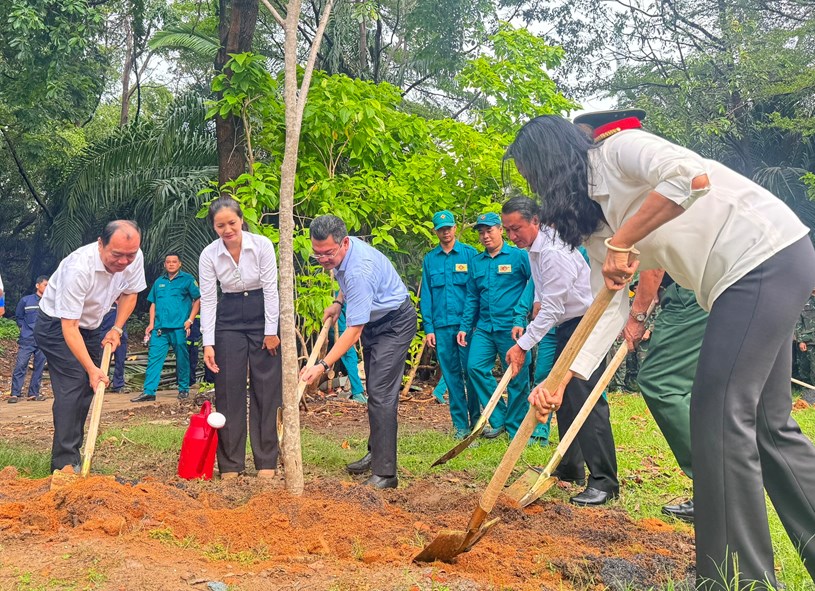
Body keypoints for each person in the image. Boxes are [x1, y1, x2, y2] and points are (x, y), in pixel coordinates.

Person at [507, 114, 815, 590]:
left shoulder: (619, 150)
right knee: (770, 425)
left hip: (760, 255)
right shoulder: (592, 220)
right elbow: (604, 308)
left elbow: (690, 176)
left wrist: (625, 239)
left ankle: (734, 580)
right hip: (751, 274)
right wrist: (560, 379)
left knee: (718, 415)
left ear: (552, 160)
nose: (539, 190)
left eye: (534, 175)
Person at [574, 108, 706, 522]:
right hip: (691, 289)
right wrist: (569, 374)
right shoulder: (610, 194)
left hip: (694, 288)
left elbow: (651, 262)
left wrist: (638, 313)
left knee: (660, 381)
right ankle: (713, 485)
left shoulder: (631, 167)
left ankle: (710, 484)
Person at [502, 196, 619, 504]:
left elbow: (553, 309)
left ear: (535, 222)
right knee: (564, 399)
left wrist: (522, 346)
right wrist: (538, 302)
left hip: (585, 325)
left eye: (517, 228)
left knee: (585, 400)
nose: (512, 236)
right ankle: (570, 468)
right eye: (508, 230)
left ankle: (605, 482)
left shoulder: (552, 252)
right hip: (567, 326)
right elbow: (545, 293)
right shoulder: (534, 249)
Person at [300, 215, 416, 489]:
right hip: (377, 321)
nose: (323, 259)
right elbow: (345, 283)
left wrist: (323, 365)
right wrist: (339, 301)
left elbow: (353, 333)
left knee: (381, 394)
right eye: (317, 254)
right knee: (376, 392)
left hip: (394, 324)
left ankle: (386, 474)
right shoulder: (341, 257)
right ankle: (377, 452)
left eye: (328, 253)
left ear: (344, 243)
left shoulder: (359, 270)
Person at [35, 220, 146, 472]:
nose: (123, 261)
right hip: (57, 326)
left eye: (130, 255)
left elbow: (130, 293)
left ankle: (74, 454)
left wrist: (117, 328)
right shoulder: (79, 268)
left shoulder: (133, 256)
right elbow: (69, 327)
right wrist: (91, 368)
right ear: (100, 244)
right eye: (116, 255)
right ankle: (64, 464)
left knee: (87, 388)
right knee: (74, 382)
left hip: (92, 326)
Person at [199, 198, 282, 480]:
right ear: (213, 226)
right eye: (220, 225)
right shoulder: (209, 255)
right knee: (228, 388)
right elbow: (209, 299)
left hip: (262, 313)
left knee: (266, 389)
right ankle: (231, 464)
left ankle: (267, 462)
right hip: (229, 316)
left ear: (241, 219)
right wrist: (208, 343)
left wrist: (271, 331)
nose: (227, 230)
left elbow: (272, 288)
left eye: (232, 223)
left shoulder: (261, 245)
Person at [457, 212, 532, 442]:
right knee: (474, 368)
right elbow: (472, 297)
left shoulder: (519, 256)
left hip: (512, 328)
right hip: (485, 327)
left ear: (501, 230)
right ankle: (499, 418)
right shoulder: (476, 262)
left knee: (518, 377)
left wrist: (524, 316)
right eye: (481, 232)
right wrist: (464, 326)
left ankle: (515, 426)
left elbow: (534, 284)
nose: (485, 236)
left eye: (489, 230)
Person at [420, 210, 479, 439]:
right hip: (442, 328)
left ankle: (475, 423)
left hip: (467, 328)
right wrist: (429, 329)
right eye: (441, 229)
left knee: (471, 373)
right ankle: (460, 426)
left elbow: (475, 294)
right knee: (452, 376)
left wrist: (472, 325)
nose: (445, 232)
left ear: (455, 228)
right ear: (436, 232)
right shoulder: (430, 260)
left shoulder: (470, 255)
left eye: (449, 228)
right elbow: (427, 296)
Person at [133, 252, 201, 402]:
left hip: (179, 328)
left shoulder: (187, 280)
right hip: (160, 329)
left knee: (182, 359)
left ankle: (183, 389)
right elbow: (153, 303)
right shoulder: (159, 282)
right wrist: (151, 323)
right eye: (168, 262)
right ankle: (149, 391)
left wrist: (190, 320)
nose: (171, 264)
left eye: (174, 262)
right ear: (164, 264)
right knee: (154, 359)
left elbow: (197, 299)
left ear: (179, 264)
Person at [9, 275, 49, 403]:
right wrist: (24, 329)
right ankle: (15, 393)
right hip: (27, 340)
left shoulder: (50, 303)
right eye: (45, 285)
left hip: (43, 340)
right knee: (21, 365)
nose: (47, 288)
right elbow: (19, 317)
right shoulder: (26, 301)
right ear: (38, 285)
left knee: (39, 367)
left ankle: (33, 393)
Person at [99, 301, 129, 393]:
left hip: (121, 338)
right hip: (105, 338)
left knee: (120, 362)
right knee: (103, 361)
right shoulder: (106, 303)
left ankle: (118, 386)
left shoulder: (125, 304)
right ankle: (102, 384)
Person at [794, 290, 815, 384]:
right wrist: (801, 340)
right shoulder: (803, 302)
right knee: (811, 365)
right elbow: (798, 323)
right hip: (810, 340)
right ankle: (811, 389)